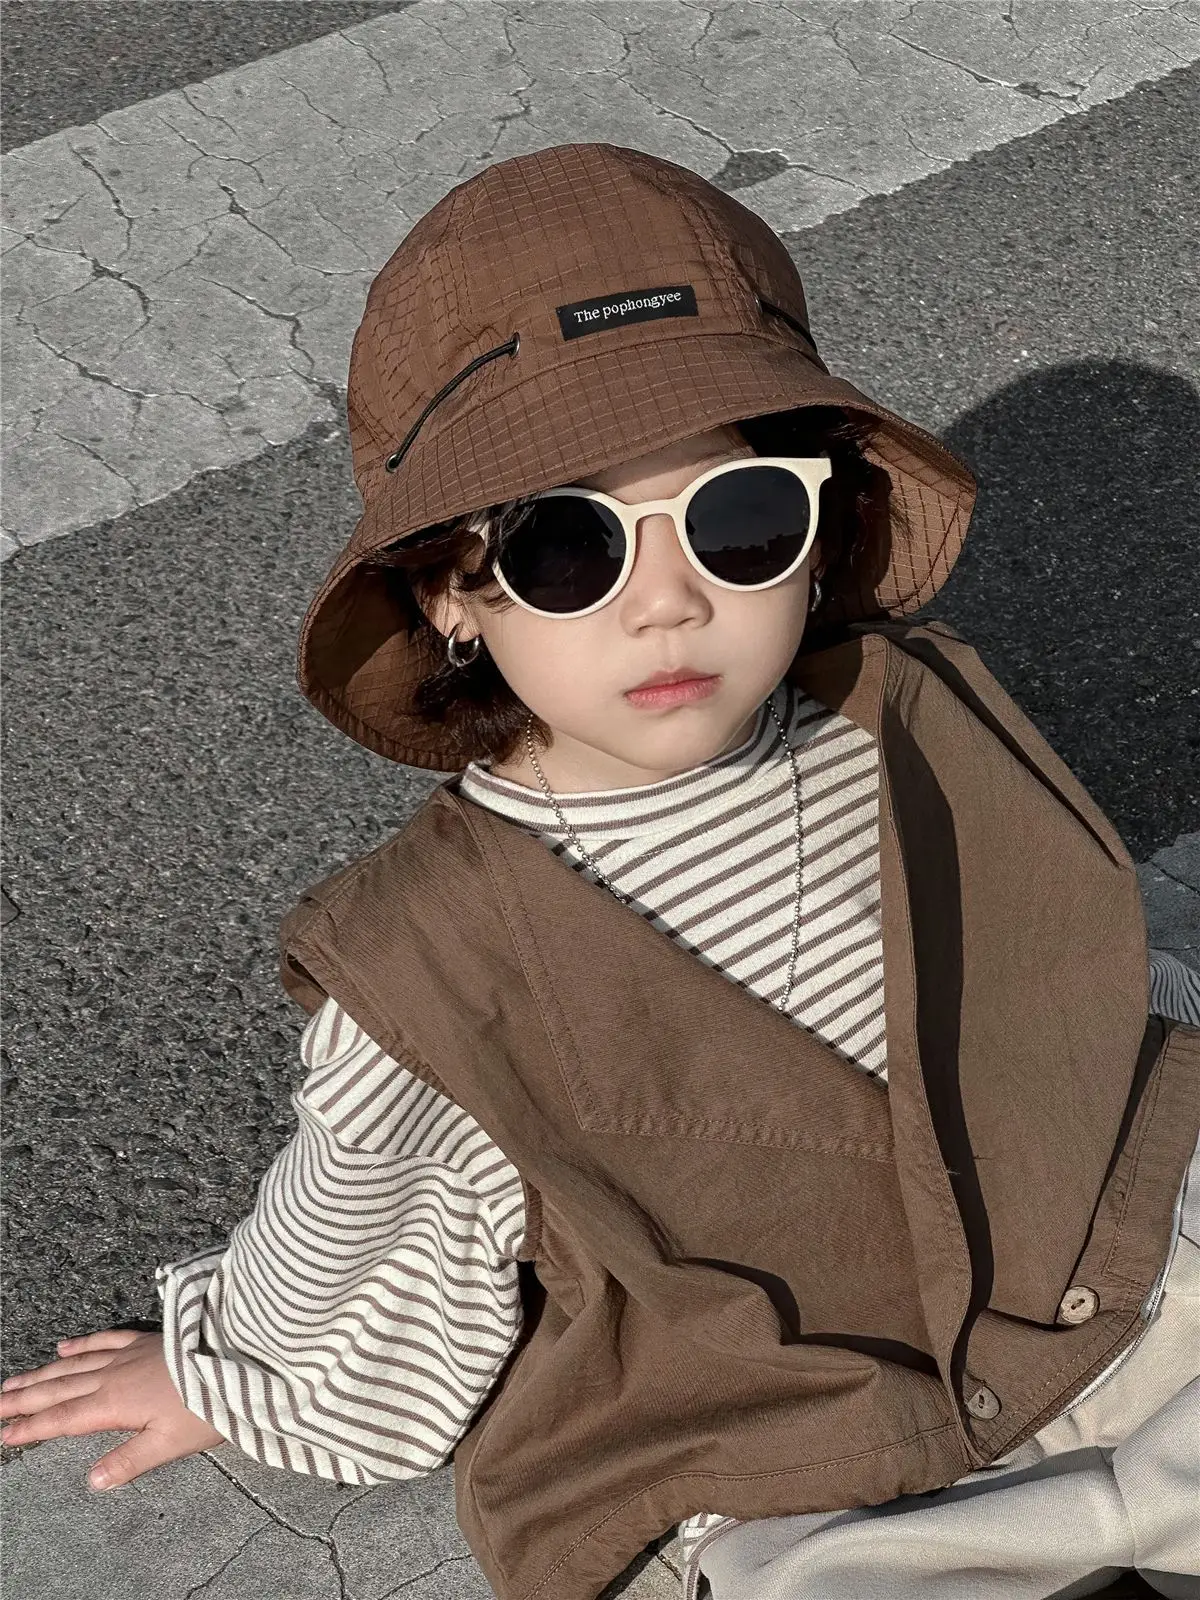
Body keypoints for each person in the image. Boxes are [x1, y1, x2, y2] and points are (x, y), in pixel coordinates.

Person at [2, 142, 1198, 1600]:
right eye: (567, 550)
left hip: (1122, 1267)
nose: (669, 603)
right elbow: (363, 1213)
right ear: (450, 592)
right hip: (799, 1443)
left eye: (739, 520)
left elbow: (1078, 971)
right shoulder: (436, 964)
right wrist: (229, 1371)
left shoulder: (912, 714)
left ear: (820, 532)